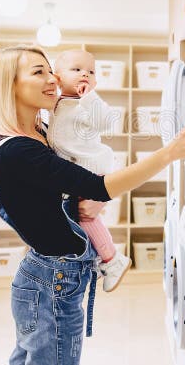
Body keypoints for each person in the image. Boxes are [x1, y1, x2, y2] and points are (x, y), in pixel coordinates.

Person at [0, 44, 185, 365]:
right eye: (38, 72)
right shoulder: (18, 150)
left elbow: (45, 202)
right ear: (9, 85)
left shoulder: (40, 133)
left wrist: (85, 201)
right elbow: (95, 185)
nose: (52, 79)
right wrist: (169, 154)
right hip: (51, 280)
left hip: (44, 276)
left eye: (49, 70)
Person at [48, 49, 130, 292]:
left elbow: (106, 122)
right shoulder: (58, 102)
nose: (85, 74)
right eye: (76, 70)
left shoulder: (87, 103)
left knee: (87, 216)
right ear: (57, 77)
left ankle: (113, 259)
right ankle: (99, 256)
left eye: (91, 72)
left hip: (89, 167)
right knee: (81, 219)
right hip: (74, 169)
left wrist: (90, 98)